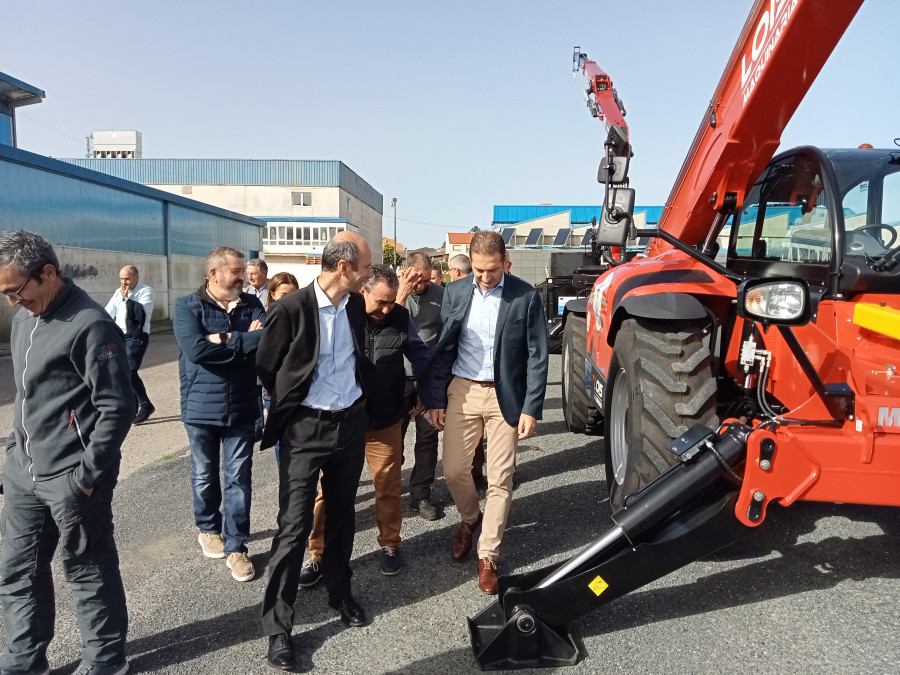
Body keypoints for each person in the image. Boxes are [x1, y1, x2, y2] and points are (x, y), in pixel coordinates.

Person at [0, 230, 136, 675]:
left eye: (16, 291)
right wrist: (13, 453)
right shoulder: (25, 317)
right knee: (18, 573)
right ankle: (23, 661)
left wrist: (86, 476)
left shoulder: (90, 325)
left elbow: (118, 406)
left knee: (87, 573)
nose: (11, 302)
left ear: (48, 274)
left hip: (72, 478)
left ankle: (104, 662)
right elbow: (27, 395)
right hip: (24, 473)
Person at [258, 231, 373, 671]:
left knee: (344, 516)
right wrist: (296, 406)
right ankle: (278, 629)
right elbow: (268, 367)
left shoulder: (356, 305)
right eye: (363, 267)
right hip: (306, 430)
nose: (367, 275)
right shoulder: (290, 309)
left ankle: (339, 593)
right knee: (293, 527)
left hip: (350, 425)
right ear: (342, 267)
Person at [426, 230, 549, 595]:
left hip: (505, 396)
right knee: (453, 470)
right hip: (461, 391)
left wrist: (531, 406)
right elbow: (443, 347)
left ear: (505, 264)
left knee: (500, 479)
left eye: (491, 271)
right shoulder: (455, 292)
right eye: (477, 270)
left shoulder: (524, 296)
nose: (482, 277)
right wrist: (435, 397)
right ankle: (469, 518)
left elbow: (538, 355)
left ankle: (488, 554)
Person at [174, 247, 265, 584]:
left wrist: (224, 339)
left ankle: (236, 546)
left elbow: (264, 341)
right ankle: (208, 527)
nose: (243, 277)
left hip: (241, 406)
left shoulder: (253, 305)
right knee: (204, 474)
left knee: (238, 478)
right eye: (236, 271)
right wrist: (243, 342)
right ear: (213, 274)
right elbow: (195, 351)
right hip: (200, 407)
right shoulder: (187, 307)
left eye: (243, 271)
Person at [396, 250, 444, 521]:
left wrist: (435, 386)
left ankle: (420, 495)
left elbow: (447, 340)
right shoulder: (393, 293)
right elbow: (391, 324)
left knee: (428, 438)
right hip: (398, 378)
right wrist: (402, 293)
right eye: (417, 280)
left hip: (428, 376)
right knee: (394, 439)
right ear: (406, 272)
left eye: (426, 281)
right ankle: (392, 489)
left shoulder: (441, 297)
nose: (422, 286)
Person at [105, 265, 156, 424]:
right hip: (119, 336)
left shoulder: (146, 292)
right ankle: (132, 407)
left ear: (136, 278)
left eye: (127, 278)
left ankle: (145, 404)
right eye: (121, 278)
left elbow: (140, 314)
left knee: (129, 369)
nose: (124, 282)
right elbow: (108, 312)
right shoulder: (118, 292)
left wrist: (127, 299)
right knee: (120, 371)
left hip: (136, 337)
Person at [262, 271, 300, 465]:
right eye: (284, 295)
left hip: (298, 389)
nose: (289, 300)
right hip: (274, 390)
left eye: (294, 294)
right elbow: (265, 361)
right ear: (273, 295)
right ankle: (285, 476)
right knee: (281, 436)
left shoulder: (304, 319)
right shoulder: (268, 318)